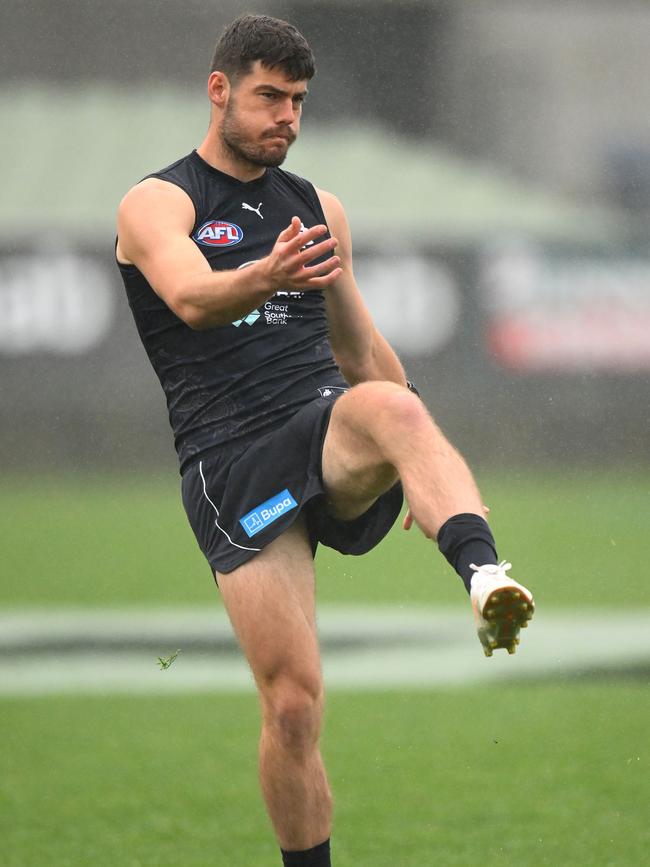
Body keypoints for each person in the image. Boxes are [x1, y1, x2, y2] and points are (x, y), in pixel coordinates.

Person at [115, 14, 535, 867]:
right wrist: (264, 274)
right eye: (270, 97)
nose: (287, 118)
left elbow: (358, 353)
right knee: (295, 706)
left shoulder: (315, 208)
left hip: (322, 424)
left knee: (396, 407)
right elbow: (192, 299)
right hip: (229, 459)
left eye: (299, 101)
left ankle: (485, 573)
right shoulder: (157, 201)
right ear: (219, 89)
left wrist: (424, 459)